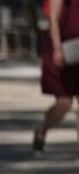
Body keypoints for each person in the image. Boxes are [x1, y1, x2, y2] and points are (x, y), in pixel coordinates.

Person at [33, 0, 79, 156]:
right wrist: (58, 49)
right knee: (64, 102)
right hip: (63, 51)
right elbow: (53, 19)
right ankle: (42, 130)